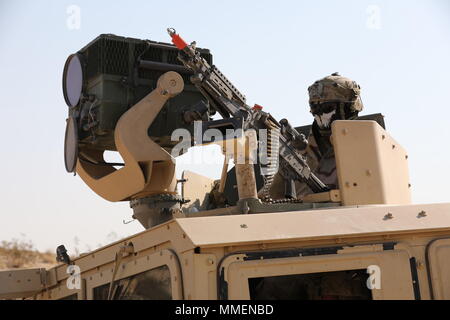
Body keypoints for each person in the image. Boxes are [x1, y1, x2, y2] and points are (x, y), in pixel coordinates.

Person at [269, 72, 364, 199]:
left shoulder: (367, 150)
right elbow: (267, 200)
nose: (319, 114)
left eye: (327, 107)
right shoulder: (301, 156)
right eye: (315, 108)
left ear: (348, 108)